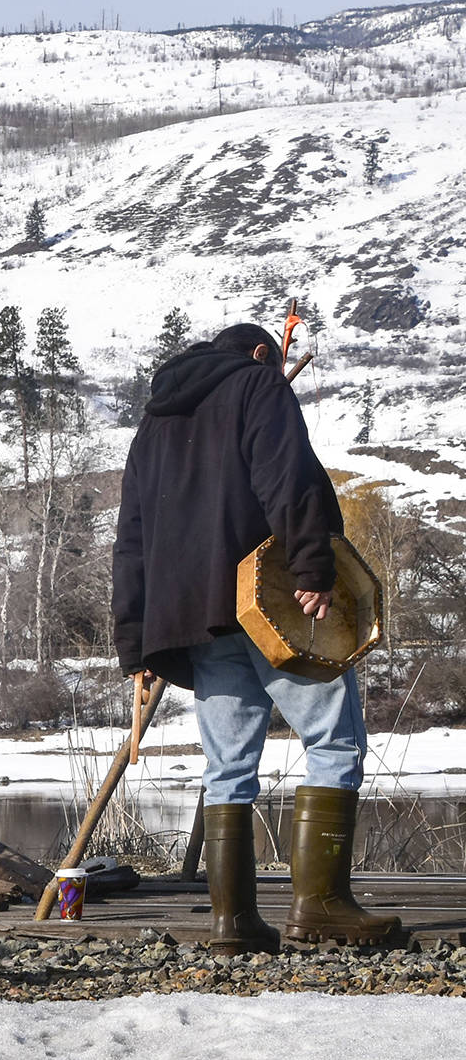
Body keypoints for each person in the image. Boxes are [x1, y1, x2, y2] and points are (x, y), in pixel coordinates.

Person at [114, 321, 397, 953]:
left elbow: (131, 536)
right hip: (270, 599)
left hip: (191, 617)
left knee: (228, 767)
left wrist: (135, 642)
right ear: (263, 354)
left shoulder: (154, 422)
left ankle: (232, 922)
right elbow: (286, 480)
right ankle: (321, 907)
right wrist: (313, 568)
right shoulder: (259, 386)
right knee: (333, 739)